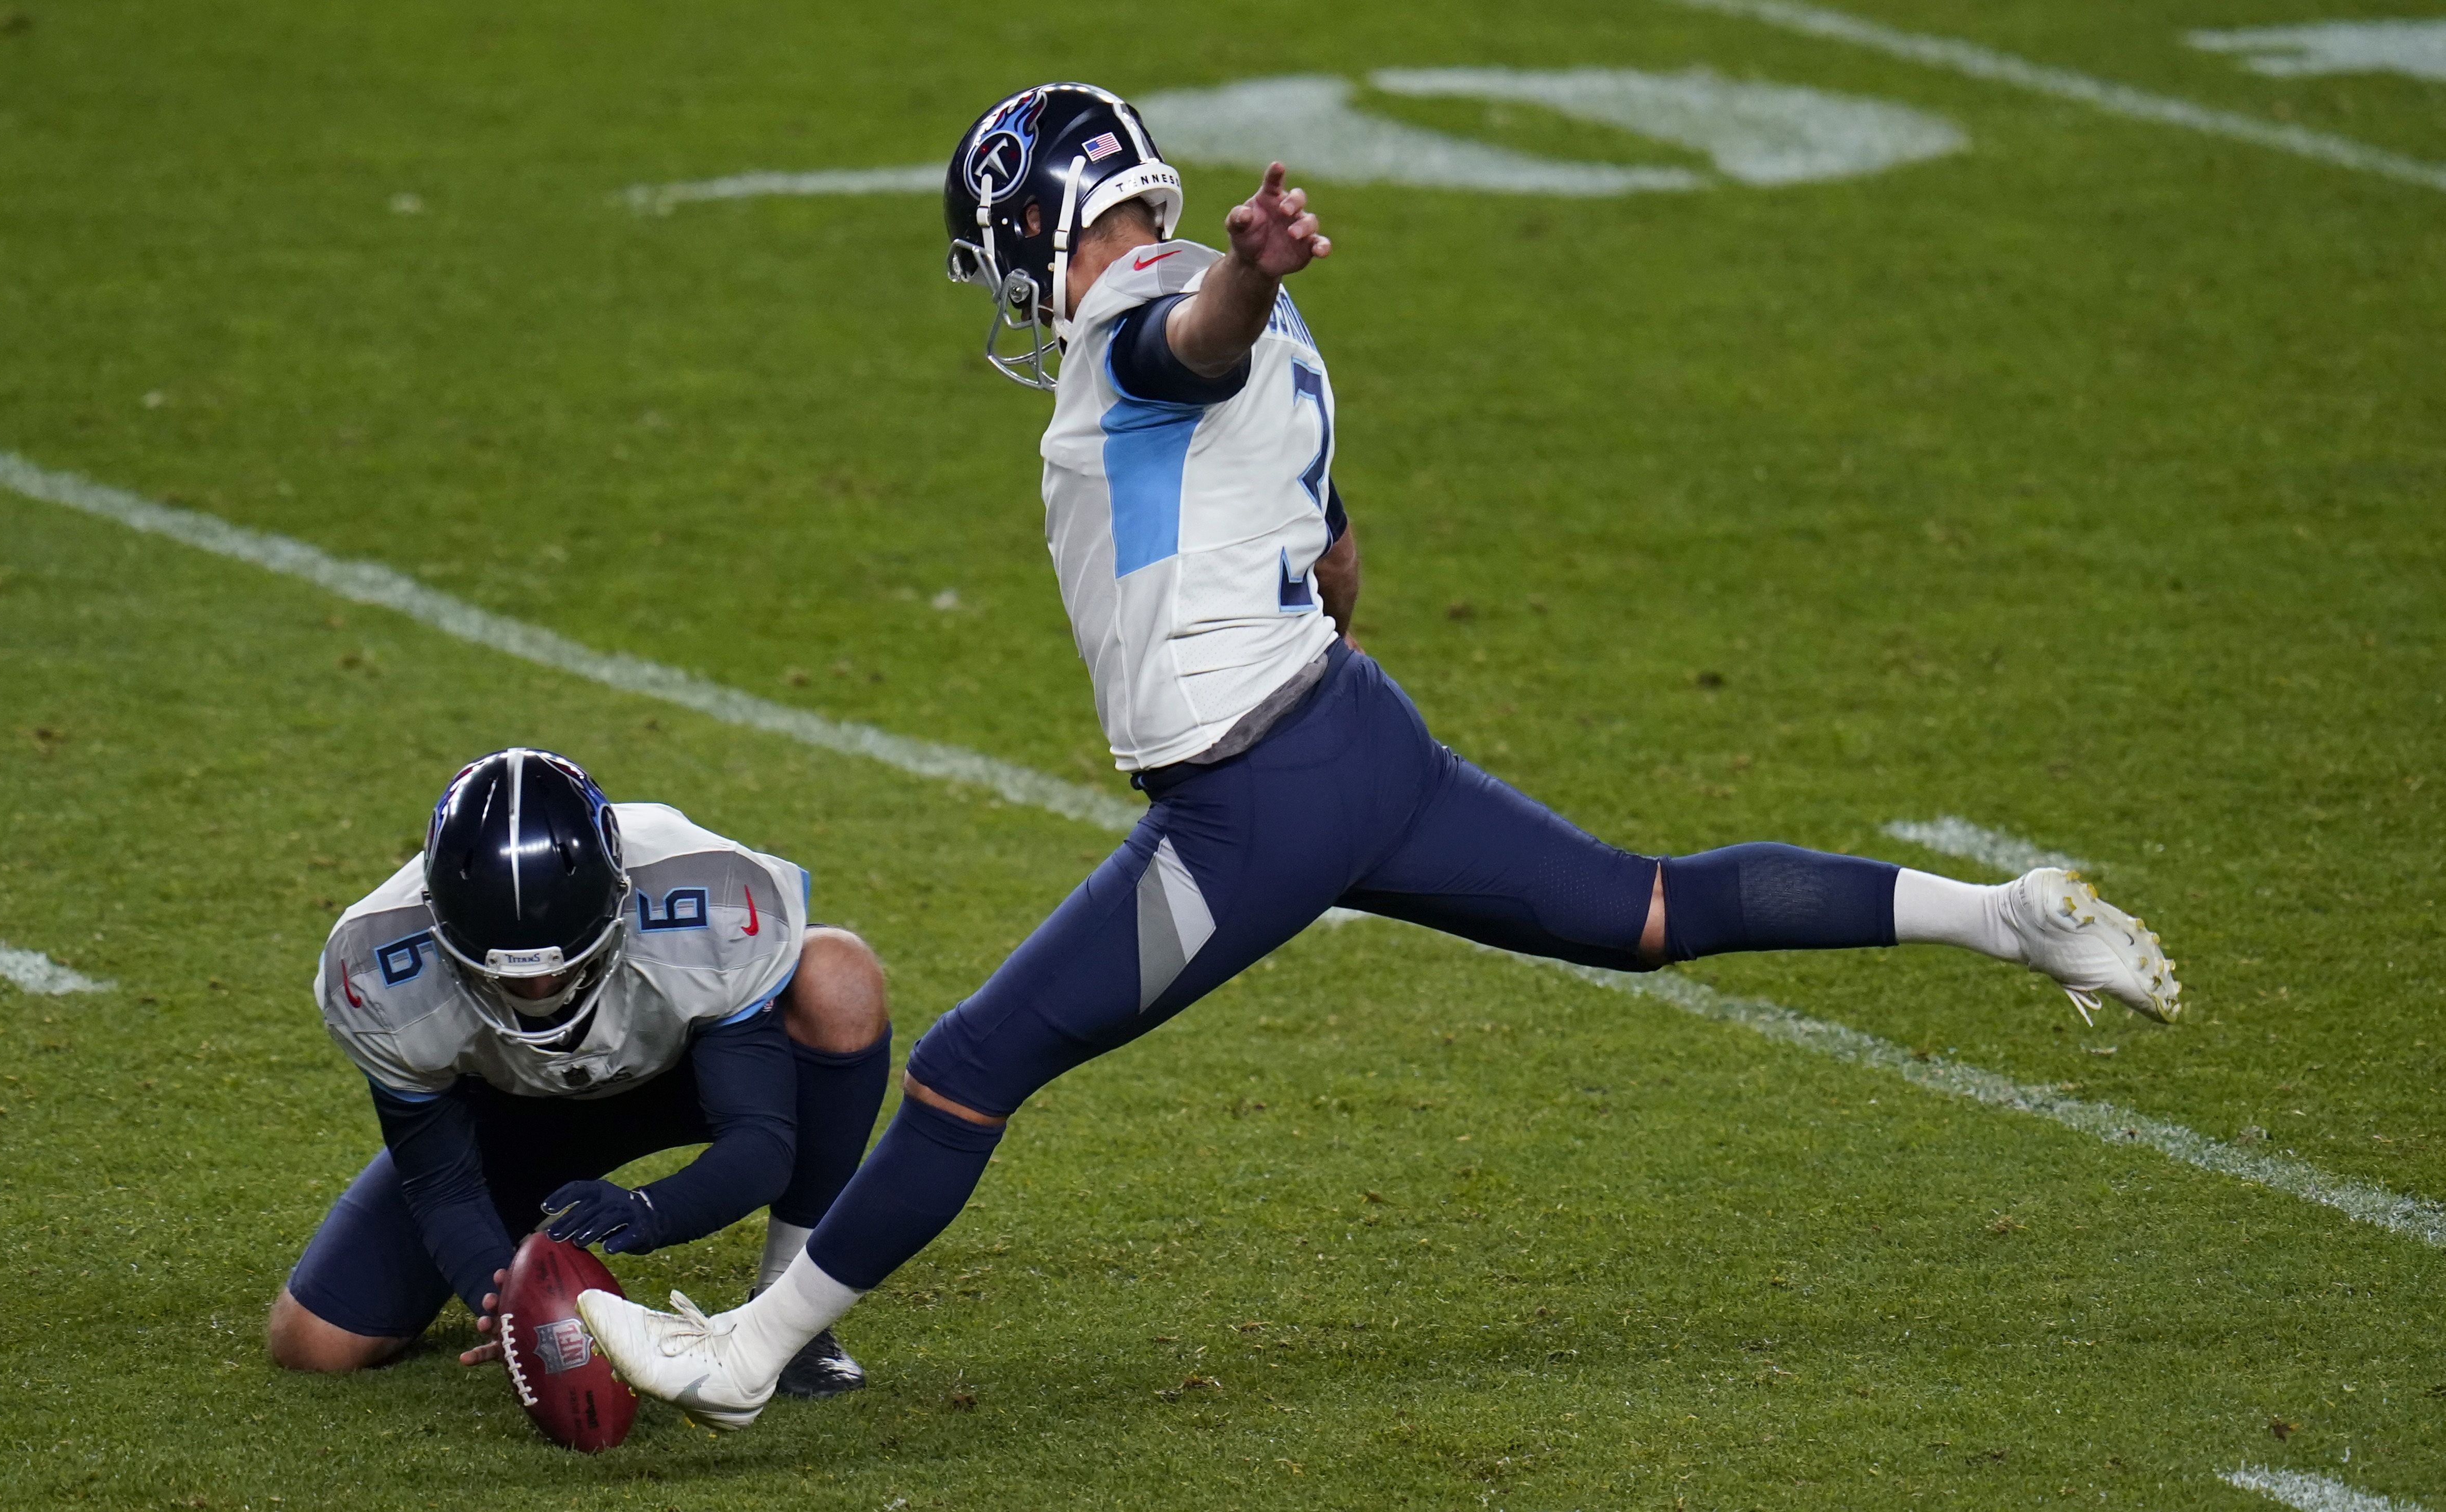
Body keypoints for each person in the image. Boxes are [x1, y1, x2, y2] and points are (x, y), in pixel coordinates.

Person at [580, 83, 2181, 1428]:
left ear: (1033, 227)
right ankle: (1997, 913)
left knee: (970, 1067)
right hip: (1355, 736)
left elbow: (1189, 347)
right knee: (1644, 910)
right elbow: (1333, 549)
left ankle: (747, 1353)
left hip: (1250, 803)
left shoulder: (1151, 315)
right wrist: (1267, 329)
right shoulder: (1253, 320)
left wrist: (1251, 282)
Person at [270, 745, 889, 1400]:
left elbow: (762, 1143)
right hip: (509, 1112)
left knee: (838, 977)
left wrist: (651, 1210)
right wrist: (507, 1297)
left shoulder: (711, 892)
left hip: (685, 1074)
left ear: (619, 896)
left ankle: (789, 1315)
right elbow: (443, 1184)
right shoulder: (374, 963)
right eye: (502, 970)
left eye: (560, 964)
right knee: (313, 1342)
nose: (537, 989)